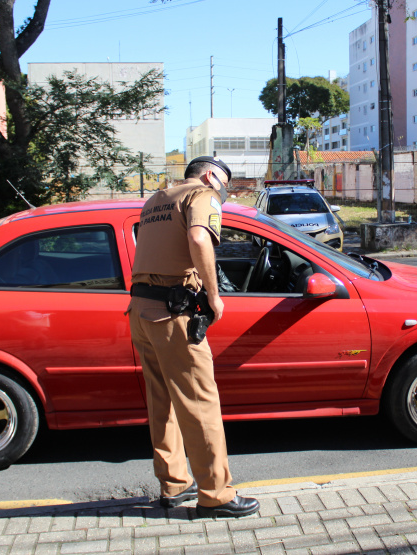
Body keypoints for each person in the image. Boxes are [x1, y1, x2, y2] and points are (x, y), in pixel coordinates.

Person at [127, 156, 260, 518]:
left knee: (163, 401)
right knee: (200, 403)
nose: (224, 192)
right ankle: (215, 495)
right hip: (172, 314)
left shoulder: (156, 200)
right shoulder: (202, 194)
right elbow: (199, 237)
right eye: (224, 184)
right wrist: (215, 296)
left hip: (141, 311)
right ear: (208, 175)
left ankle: (175, 484)